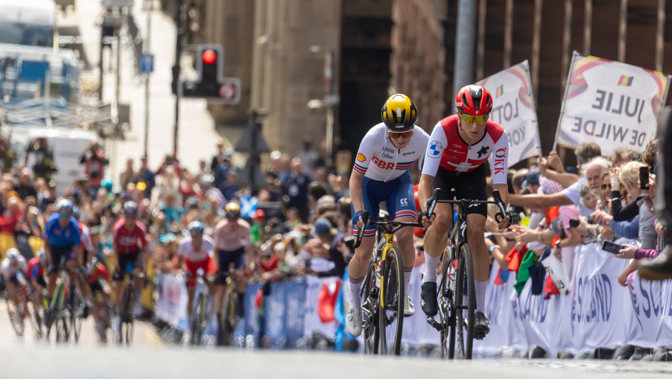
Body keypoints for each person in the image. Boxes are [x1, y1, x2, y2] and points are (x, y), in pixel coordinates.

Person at [417, 85, 511, 340]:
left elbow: (500, 184)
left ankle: (479, 310)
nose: (475, 125)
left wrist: (503, 210)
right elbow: (425, 180)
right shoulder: (443, 129)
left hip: (473, 174)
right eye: (469, 118)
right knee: (443, 219)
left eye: (481, 118)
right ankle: (429, 278)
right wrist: (428, 209)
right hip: (442, 174)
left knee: (478, 230)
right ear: (459, 115)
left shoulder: (498, 136)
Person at [345, 93, 430, 337]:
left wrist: (426, 208)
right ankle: (354, 306)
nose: (401, 139)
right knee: (363, 250)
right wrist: (360, 211)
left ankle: (402, 293)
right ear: (386, 128)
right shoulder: (373, 138)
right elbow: (355, 178)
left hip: (398, 185)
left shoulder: (423, 140)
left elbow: (428, 176)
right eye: (395, 134)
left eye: (406, 133)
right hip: (368, 187)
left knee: (405, 233)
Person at [43, 199, 84, 327]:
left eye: (68, 216)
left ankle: (71, 297)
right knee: (52, 276)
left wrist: (80, 264)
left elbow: (78, 248)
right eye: (62, 216)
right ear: (59, 214)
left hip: (68, 248)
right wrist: (50, 261)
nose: (65, 220)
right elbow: (46, 244)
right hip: (54, 248)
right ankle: (50, 306)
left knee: (72, 267)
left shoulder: (74, 226)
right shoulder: (51, 222)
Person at [212, 202, 252, 323]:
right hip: (223, 253)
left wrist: (249, 266)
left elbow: (249, 250)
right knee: (221, 290)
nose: (233, 222)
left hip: (237, 252)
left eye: (235, 219)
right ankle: (219, 317)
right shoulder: (220, 228)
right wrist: (216, 267)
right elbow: (215, 251)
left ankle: (240, 303)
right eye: (230, 219)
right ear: (226, 218)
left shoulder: (245, 227)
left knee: (240, 276)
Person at [111, 201, 147, 327]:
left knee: (138, 273)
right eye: (128, 217)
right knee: (119, 282)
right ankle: (118, 310)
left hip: (133, 253)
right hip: (121, 254)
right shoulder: (118, 228)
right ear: (124, 216)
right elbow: (114, 248)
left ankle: (137, 299)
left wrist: (144, 267)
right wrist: (116, 264)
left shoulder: (141, 229)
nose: (130, 220)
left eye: (133, 217)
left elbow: (143, 250)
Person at [178, 220, 216, 321]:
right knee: (191, 294)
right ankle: (189, 325)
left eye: (198, 235)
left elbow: (213, 258)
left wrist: (212, 272)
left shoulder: (208, 242)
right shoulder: (184, 243)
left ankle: (211, 307)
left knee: (212, 281)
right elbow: (181, 261)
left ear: (202, 235)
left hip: (205, 263)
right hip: (191, 265)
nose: (195, 239)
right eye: (193, 235)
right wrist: (185, 271)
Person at [1, 248, 28, 318]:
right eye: (13, 263)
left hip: (17, 273)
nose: (15, 264)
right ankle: (17, 309)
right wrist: (14, 292)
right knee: (13, 292)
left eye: (16, 262)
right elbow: (7, 281)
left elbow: (27, 273)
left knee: (23, 284)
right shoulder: (5, 266)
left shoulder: (22, 260)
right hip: (7, 277)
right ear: (10, 262)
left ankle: (23, 304)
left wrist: (25, 285)